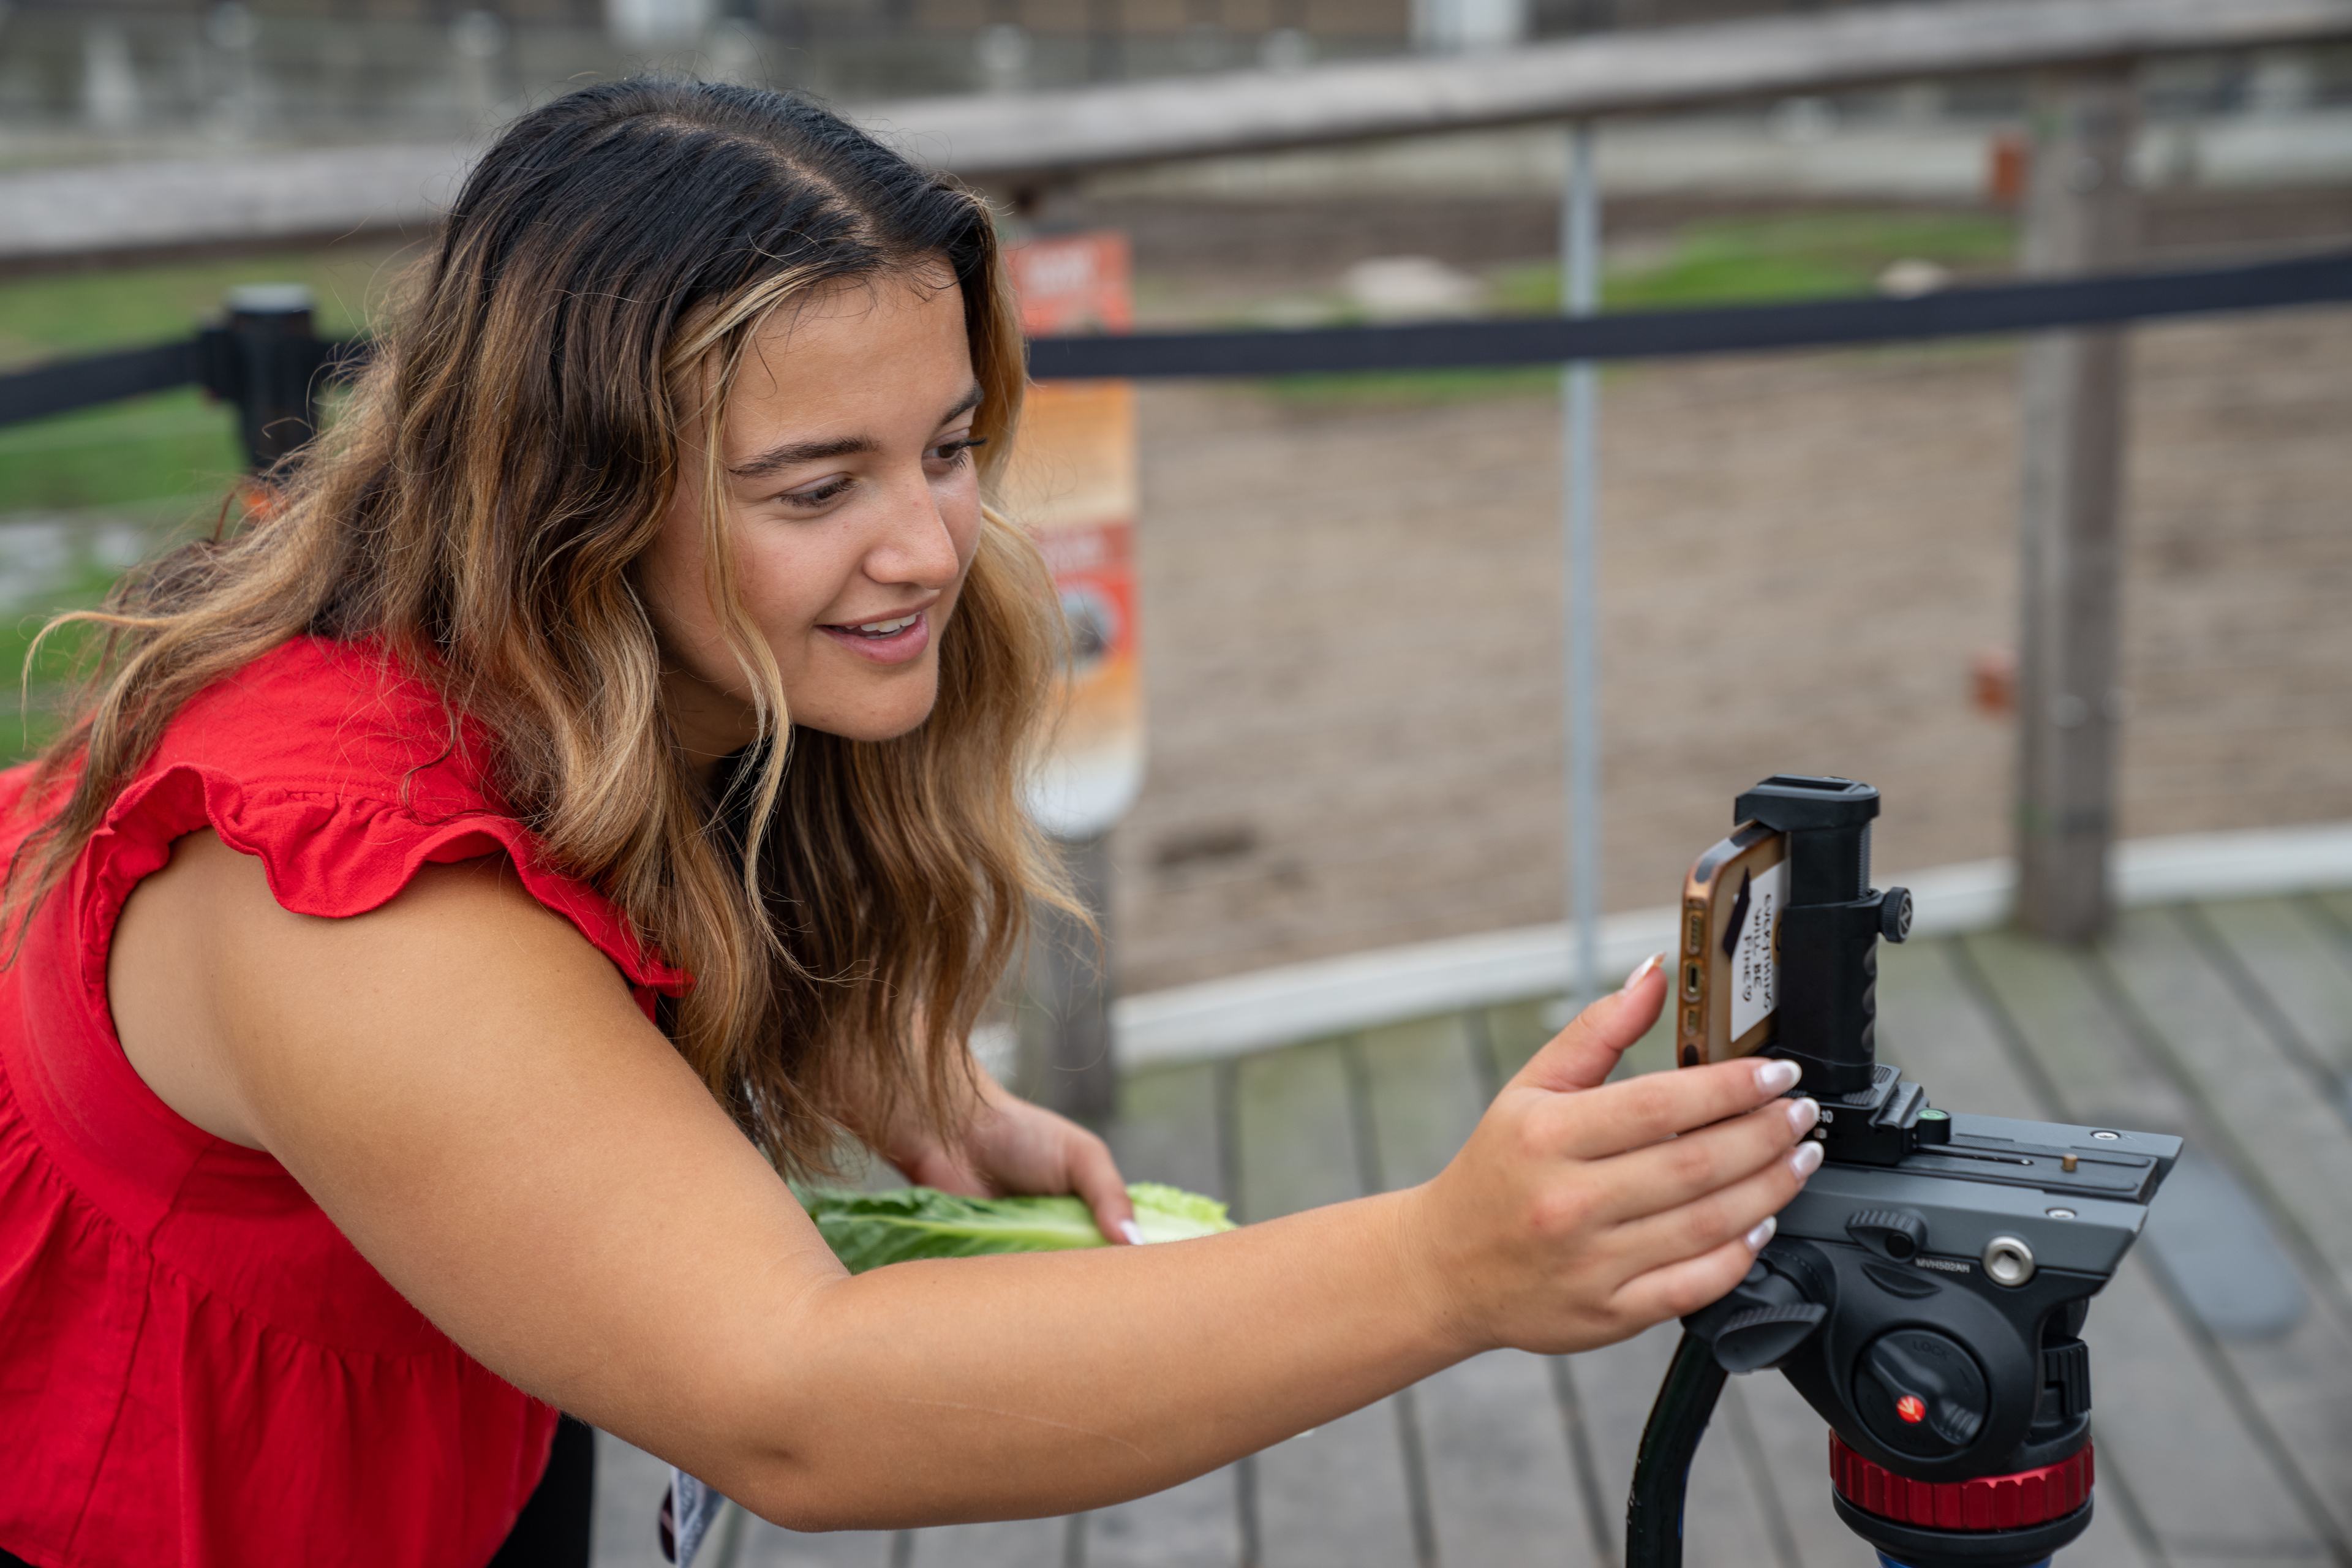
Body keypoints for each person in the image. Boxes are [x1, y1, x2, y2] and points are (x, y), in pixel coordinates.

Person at [0, 79, 1823, 1567]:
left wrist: (856, 1060)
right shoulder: (342, 880)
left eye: (947, 447)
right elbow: (798, 1396)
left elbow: (577, 943)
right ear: (570, 503)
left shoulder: (593, 653)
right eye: (819, 485)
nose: (932, 548)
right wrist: (1449, 1266)